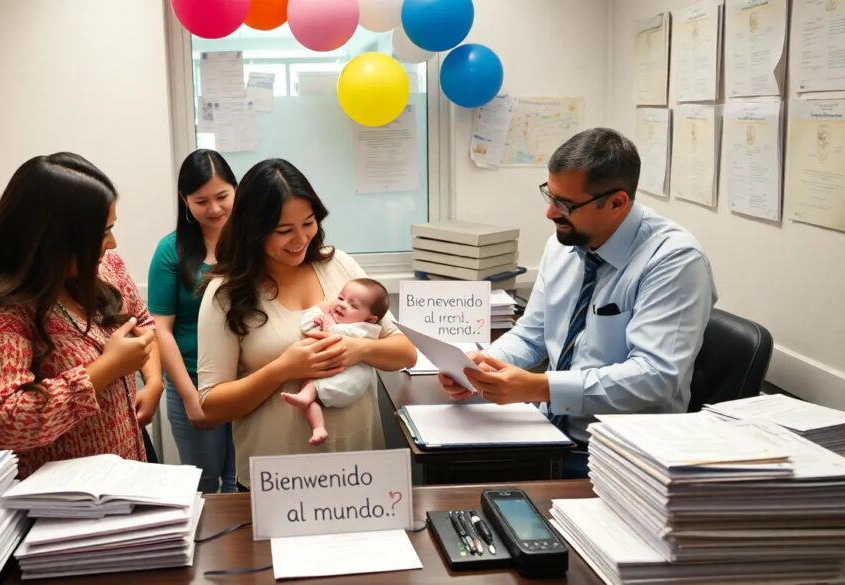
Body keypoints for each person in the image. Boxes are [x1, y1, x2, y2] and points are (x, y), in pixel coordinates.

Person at [438, 128, 717, 478]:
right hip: (549, 434)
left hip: (623, 458)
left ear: (617, 203)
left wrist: (541, 387)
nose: (550, 214)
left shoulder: (674, 259)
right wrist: (483, 367)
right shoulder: (564, 244)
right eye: (550, 196)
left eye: (566, 205)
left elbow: (656, 376)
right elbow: (532, 334)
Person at [0, 152, 163, 478]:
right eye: (101, 233)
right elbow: (1, 420)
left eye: (111, 228)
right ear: (55, 239)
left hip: (114, 481)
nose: (112, 244)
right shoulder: (2, 312)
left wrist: (153, 380)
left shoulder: (103, 267)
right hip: (46, 498)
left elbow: (142, 322)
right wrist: (107, 368)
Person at [196, 158, 416, 489]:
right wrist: (283, 369)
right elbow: (211, 406)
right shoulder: (226, 293)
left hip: (359, 471)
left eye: (308, 223)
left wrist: (358, 349)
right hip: (277, 480)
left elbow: (405, 352)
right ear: (253, 230)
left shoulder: (339, 266)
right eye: (284, 231)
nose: (300, 239)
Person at [148, 149, 237, 493]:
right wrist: (188, 396)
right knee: (203, 483)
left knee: (243, 479)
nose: (214, 209)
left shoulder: (252, 245)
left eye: (222, 196)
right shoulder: (170, 250)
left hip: (247, 379)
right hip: (192, 380)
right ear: (184, 200)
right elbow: (161, 330)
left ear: (236, 190)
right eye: (201, 201)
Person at [281, 278, 389, 446]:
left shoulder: (364, 330)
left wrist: (327, 324)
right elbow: (307, 327)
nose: (342, 305)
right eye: (340, 298)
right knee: (308, 392)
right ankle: (318, 428)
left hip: (350, 378)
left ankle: (309, 399)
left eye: (353, 306)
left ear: (370, 319)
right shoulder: (334, 319)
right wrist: (320, 310)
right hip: (332, 375)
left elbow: (336, 336)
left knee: (311, 388)